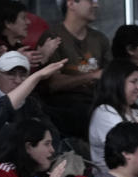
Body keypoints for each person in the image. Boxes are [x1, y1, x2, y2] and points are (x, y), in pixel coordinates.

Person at [39, 0, 111, 138]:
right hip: (65, 107)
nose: (96, 5)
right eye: (90, 1)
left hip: (97, 101)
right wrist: (91, 76)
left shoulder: (100, 39)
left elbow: (110, 75)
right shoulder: (52, 37)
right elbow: (53, 83)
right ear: (71, 4)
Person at [0, 0, 59, 70]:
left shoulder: (21, 47)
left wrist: (43, 56)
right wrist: (19, 60)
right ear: (8, 23)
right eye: (23, 18)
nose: (28, 22)